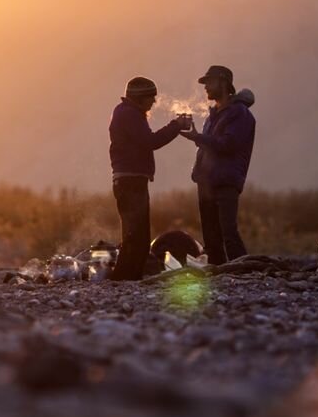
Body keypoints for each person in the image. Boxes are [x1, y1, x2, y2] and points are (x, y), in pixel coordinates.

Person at [108, 76, 183, 280]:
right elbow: (150, 142)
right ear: (140, 98)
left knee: (137, 234)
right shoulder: (129, 114)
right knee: (136, 235)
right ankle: (123, 279)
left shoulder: (128, 113)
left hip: (131, 180)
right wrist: (175, 126)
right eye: (151, 97)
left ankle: (129, 278)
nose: (154, 102)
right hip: (131, 181)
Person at [180, 65, 256, 265]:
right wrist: (197, 138)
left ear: (223, 83)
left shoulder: (239, 113)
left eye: (209, 82)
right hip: (206, 182)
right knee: (211, 237)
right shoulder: (214, 115)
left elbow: (228, 145)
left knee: (228, 232)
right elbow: (211, 145)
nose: (206, 87)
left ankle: (244, 271)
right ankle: (219, 273)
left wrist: (199, 137)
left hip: (225, 181)